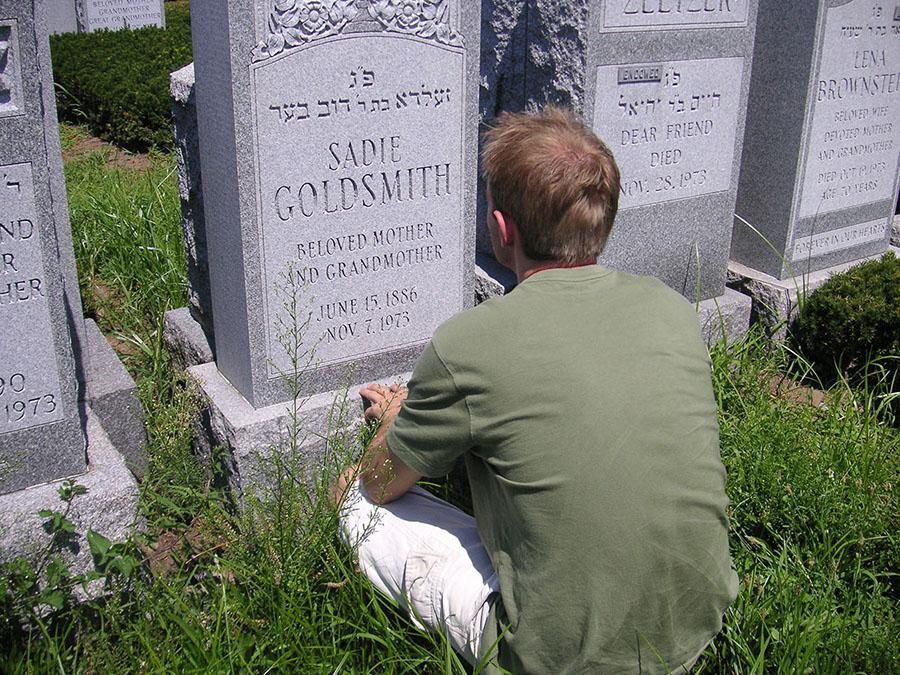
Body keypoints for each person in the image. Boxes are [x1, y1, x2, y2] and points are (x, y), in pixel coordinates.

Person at [331, 107, 738, 673]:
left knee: (354, 498)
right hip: (695, 619)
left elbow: (381, 484)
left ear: (502, 230)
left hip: (558, 658)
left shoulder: (468, 343)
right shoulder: (671, 309)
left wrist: (394, 426)